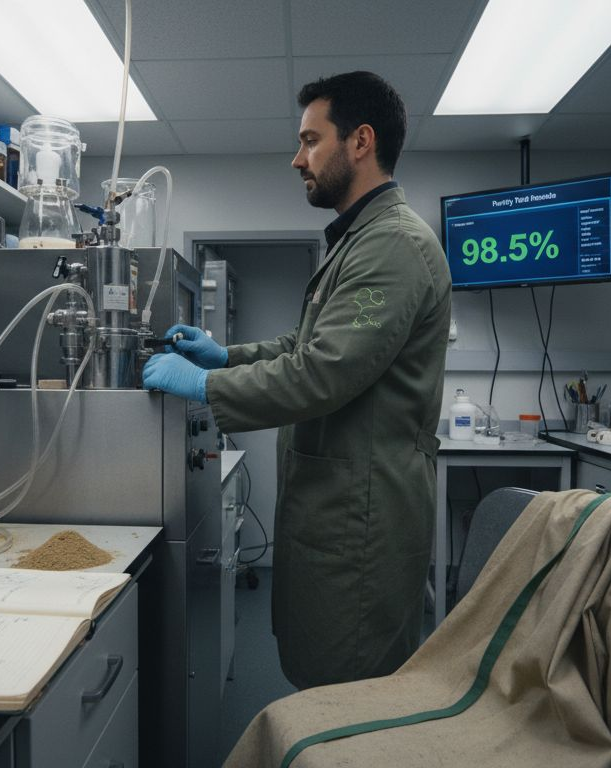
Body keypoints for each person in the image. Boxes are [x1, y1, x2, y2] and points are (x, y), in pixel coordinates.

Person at [143, 71, 451, 690]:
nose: (296, 158)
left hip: (361, 523)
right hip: (339, 510)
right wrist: (224, 357)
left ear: (360, 142)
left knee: (349, 699)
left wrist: (206, 389)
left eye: (311, 140)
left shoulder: (391, 244)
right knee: (324, 678)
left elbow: (321, 372)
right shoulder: (360, 239)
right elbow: (308, 346)